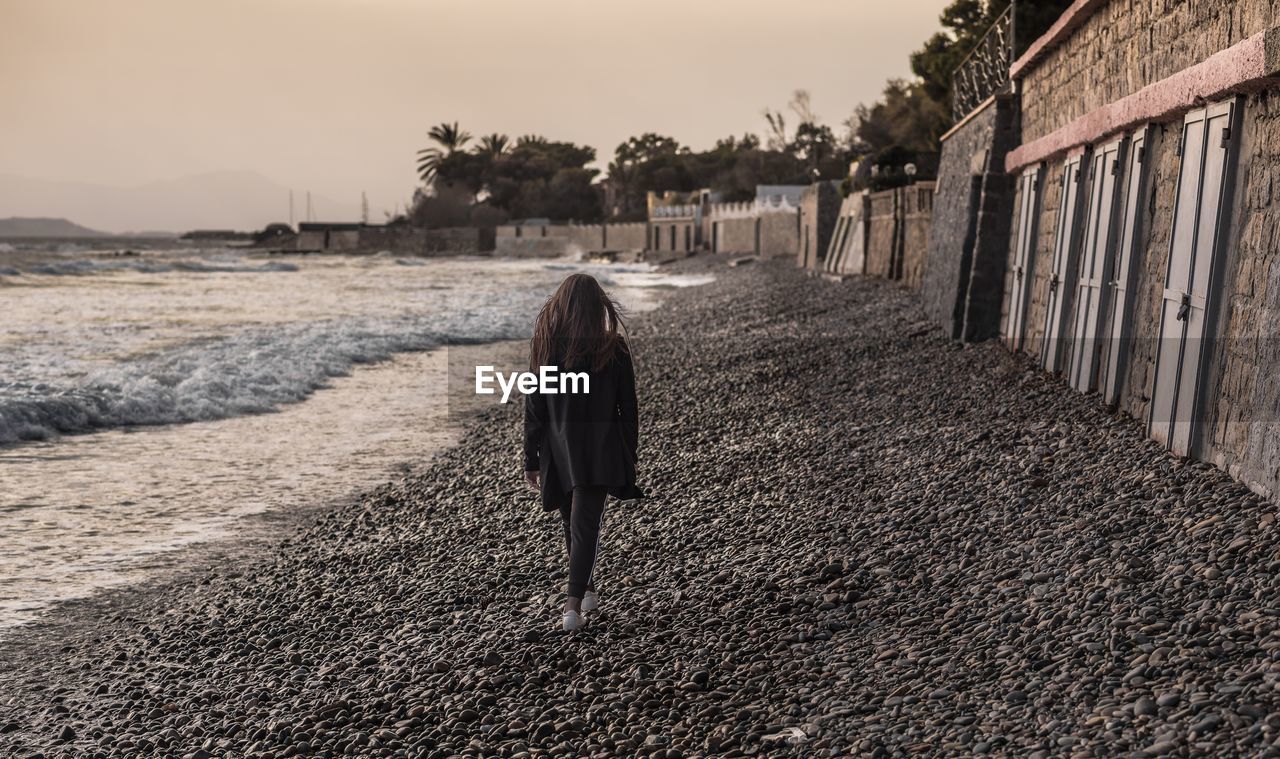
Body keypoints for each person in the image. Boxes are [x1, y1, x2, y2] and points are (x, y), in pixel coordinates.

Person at [523, 273, 642, 632]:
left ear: (562, 306)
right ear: (597, 307)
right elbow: (628, 409)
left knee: (575, 523)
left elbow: (534, 408)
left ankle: (574, 601)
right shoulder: (613, 348)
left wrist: (531, 458)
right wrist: (628, 452)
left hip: (558, 451)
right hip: (599, 451)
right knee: (581, 524)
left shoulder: (545, 348)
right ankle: (579, 599)